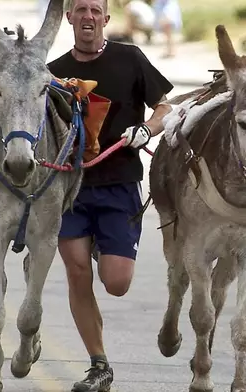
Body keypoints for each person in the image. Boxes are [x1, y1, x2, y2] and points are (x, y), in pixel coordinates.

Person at [46, 0, 174, 390]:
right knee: (76, 272)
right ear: (68, 17)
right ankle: (99, 364)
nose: (88, 16)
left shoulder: (130, 58)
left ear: (105, 17)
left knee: (117, 282)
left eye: (94, 9)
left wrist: (148, 129)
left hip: (119, 183)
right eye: (80, 8)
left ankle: (104, 247)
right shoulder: (53, 74)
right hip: (70, 188)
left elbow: (165, 106)